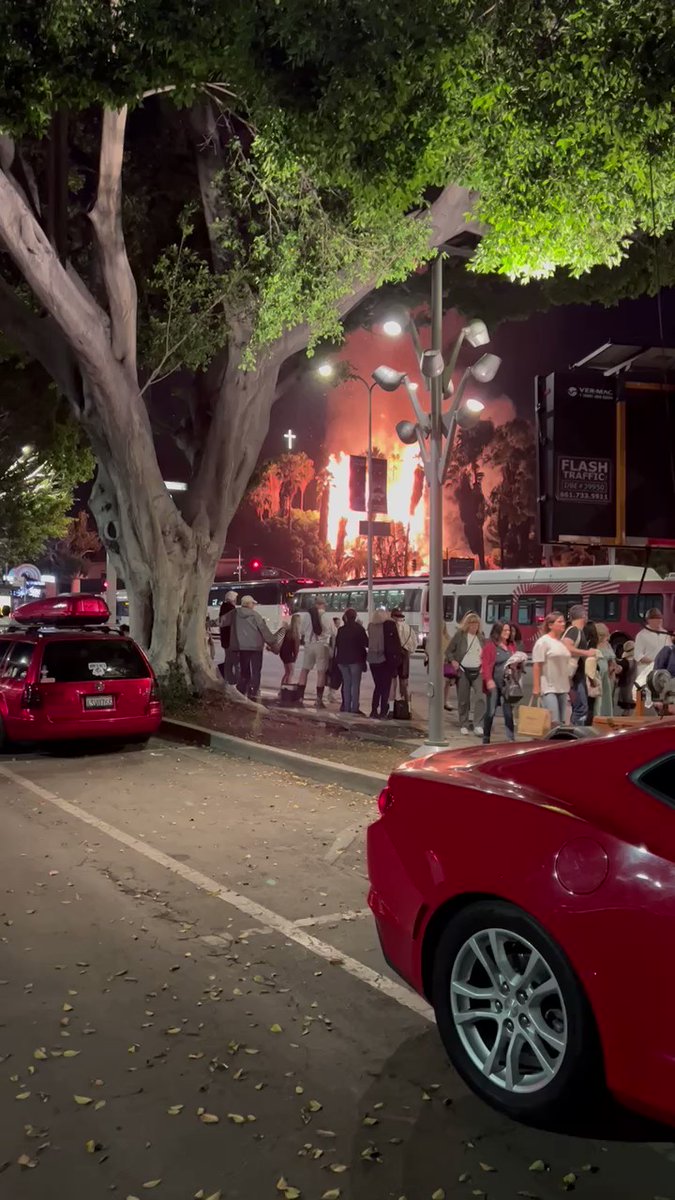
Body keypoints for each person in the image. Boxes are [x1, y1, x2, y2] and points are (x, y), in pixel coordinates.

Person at [223, 594, 277, 701]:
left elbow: (221, 621)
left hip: (243, 647)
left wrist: (207, 623)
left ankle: (242, 690)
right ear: (248, 604)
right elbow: (264, 630)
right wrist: (272, 642)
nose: (254, 605)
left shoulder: (234, 614)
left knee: (245, 669)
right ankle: (254, 691)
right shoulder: (255, 615)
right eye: (253, 603)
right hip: (256, 647)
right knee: (256, 670)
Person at [447, 612, 486, 736]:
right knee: (463, 699)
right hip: (463, 671)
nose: (474, 626)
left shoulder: (481, 637)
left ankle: (478, 724)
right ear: (467, 624)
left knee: (481, 697)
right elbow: (449, 651)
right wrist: (453, 661)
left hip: (478, 670)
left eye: (476, 624)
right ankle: (463, 723)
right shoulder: (460, 635)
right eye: (471, 623)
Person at [531, 610, 572, 726]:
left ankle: (560, 742)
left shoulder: (562, 642)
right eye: (559, 622)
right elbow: (537, 665)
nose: (563, 624)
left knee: (563, 722)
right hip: (549, 687)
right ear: (550, 625)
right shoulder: (543, 642)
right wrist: (536, 687)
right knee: (554, 721)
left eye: (563, 621)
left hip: (563, 687)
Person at [480, 620, 517, 744]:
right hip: (494, 684)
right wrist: (488, 680)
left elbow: (513, 662)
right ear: (498, 632)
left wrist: (517, 664)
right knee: (490, 711)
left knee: (508, 712)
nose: (508, 633)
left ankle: (510, 738)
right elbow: (485, 664)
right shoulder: (490, 646)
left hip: (507, 684)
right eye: (505, 630)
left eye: (509, 630)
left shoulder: (511, 646)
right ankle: (486, 738)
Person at [563, 605, 597, 726]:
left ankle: (574, 734)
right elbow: (566, 647)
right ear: (583, 616)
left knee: (580, 707)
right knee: (581, 708)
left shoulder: (577, 631)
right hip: (575, 677)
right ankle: (575, 736)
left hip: (577, 676)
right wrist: (587, 652)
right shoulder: (574, 630)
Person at [298, 601, 334, 708]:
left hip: (309, 645)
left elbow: (302, 631)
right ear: (323, 604)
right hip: (321, 645)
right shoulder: (326, 616)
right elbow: (332, 632)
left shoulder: (306, 616)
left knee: (304, 670)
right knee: (321, 672)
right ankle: (318, 700)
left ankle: (300, 697)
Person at [367, 609, 401, 719]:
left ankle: (373, 710)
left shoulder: (370, 626)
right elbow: (394, 643)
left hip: (372, 660)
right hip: (383, 659)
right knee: (385, 687)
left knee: (378, 686)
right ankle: (382, 711)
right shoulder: (387, 625)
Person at [335, 608, 368, 714]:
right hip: (355, 660)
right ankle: (354, 708)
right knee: (355, 684)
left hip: (342, 660)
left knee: (346, 683)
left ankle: (346, 706)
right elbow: (366, 643)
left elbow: (337, 644)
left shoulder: (341, 630)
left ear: (345, 617)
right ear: (355, 617)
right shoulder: (359, 629)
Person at [390, 608, 417, 711]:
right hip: (405, 656)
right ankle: (406, 705)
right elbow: (414, 644)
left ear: (393, 616)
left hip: (393, 656)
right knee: (404, 682)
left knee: (393, 682)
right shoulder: (409, 628)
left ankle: (391, 707)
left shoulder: (392, 627)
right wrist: (408, 651)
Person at [595, 623, 616, 718]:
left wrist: (612, 667)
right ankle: (597, 717)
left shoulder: (607, 645)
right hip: (597, 674)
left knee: (606, 697)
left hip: (606, 675)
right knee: (598, 698)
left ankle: (605, 717)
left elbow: (612, 660)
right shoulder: (593, 645)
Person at [218, 590, 239, 685]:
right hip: (230, 639)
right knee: (234, 661)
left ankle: (227, 679)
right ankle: (232, 680)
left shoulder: (224, 608)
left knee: (229, 659)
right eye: (235, 598)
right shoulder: (230, 609)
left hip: (225, 639)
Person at [279, 612, 303, 686]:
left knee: (287, 672)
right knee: (291, 672)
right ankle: (287, 688)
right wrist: (295, 658)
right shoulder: (296, 633)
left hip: (283, 653)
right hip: (290, 655)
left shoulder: (287, 630)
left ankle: (282, 689)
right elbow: (296, 649)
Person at [616, 640, 637, 714]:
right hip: (629, 685)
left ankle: (627, 712)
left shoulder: (627, 661)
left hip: (629, 684)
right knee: (630, 700)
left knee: (629, 701)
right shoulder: (628, 662)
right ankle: (627, 713)